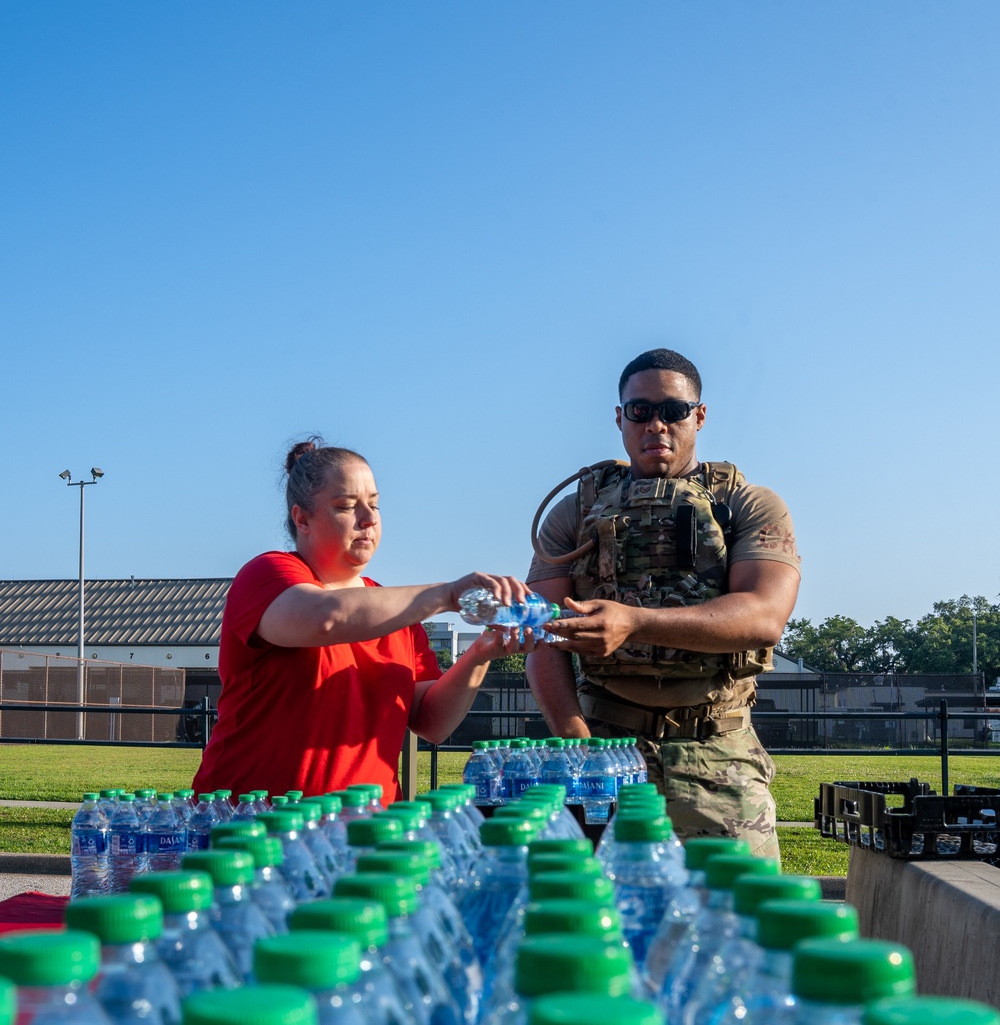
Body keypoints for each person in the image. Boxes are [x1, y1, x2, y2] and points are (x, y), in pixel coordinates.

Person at [525, 348, 800, 857]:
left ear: (700, 415)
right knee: (593, 903)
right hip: (604, 748)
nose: (656, 424)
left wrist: (635, 622)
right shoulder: (576, 512)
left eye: (674, 410)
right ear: (620, 418)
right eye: (640, 410)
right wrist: (579, 743)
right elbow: (541, 633)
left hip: (717, 754)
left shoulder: (748, 504)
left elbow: (764, 616)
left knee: (732, 904)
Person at [193, 439, 531, 803]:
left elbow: (431, 722)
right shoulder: (267, 574)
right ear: (302, 519)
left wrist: (480, 653)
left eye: (374, 504)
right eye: (346, 506)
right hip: (255, 823)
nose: (368, 519)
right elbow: (325, 617)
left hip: (370, 827)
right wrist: (447, 595)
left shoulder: (398, 611)